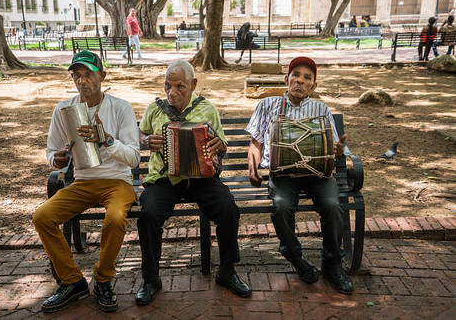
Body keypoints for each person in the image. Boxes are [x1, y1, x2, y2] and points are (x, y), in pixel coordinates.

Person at [135, 60, 252, 305]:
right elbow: (139, 134)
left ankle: (227, 271)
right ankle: (151, 278)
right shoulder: (154, 109)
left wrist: (220, 146)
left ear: (193, 84)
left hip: (201, 179)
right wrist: (146, 141)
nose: (172, 92)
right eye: (168, 86)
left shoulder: (207, 109)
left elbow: (221, 145)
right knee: (148, 215)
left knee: (228, 207)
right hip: (164, 179)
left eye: (179, 86)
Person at [33, 50, 140, 313]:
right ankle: (73, 281)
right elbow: (50, 151)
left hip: (117, 181)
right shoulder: (64, 109)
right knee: (42, 216)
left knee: (115, 218)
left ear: (102, 76)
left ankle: (103, 279)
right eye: (76, 75)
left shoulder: (120, 107)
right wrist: (55, 160)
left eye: (88, 74)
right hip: (82, 182)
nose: (82, 81)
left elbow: (134, 158)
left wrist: (107, 139)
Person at [245, 56, 354, 295]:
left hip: (317, 175)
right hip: (282, 174)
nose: (300, 80)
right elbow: (255, 144)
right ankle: (295, 256)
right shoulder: (267, 105)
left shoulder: (321, 109)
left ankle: (332, 263)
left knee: (332, 206)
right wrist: (252, 169)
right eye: (295, 75)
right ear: (286, 79)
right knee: (282, 207)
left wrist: (337, 151)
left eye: (307, 77)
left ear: (313, 86)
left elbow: (335, 147)